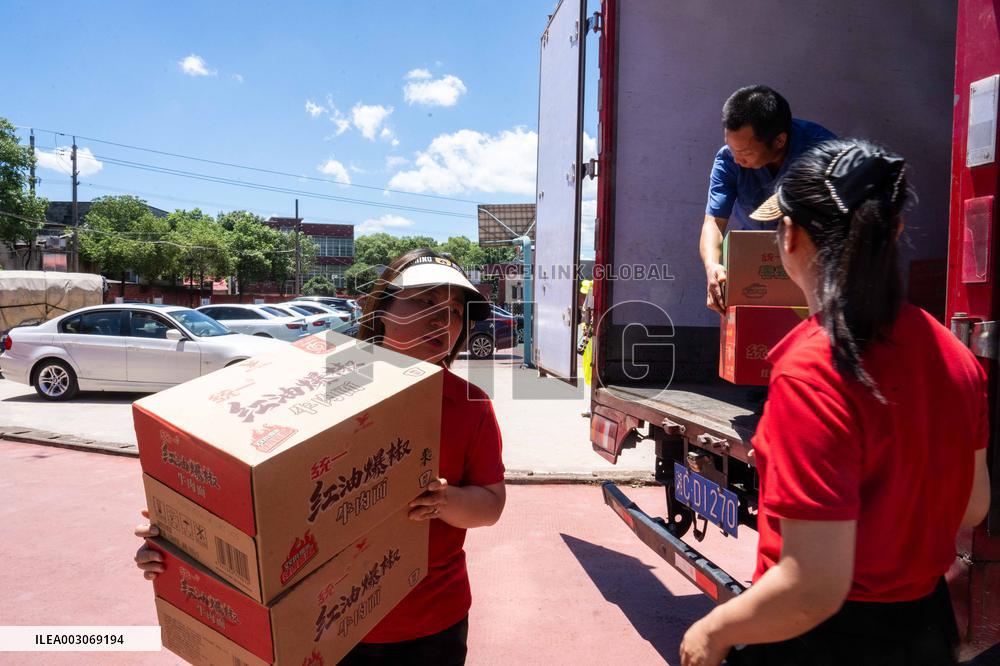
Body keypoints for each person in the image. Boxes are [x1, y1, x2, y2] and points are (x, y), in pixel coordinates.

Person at [680, 139, 991, 666]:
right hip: (925, 628)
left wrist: (710, 633)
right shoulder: (955, 355)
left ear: (790, 235)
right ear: (893, 233)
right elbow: (973, 505)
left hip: (825, 641)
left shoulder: (813, 370)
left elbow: (810, 590)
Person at [135, 248, 506, 666]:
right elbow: (252, 484)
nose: (443, 319)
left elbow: (490, 504)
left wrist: (443, 500)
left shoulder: (470, 405)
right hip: (325, 628)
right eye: (424, 301)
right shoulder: (317, 383)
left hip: (431, 625)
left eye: (456, 309)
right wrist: (181, 539)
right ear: (381, 309)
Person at [700, 85, 835, 313]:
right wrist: (712, 265)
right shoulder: (728, 160)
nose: (737, 158)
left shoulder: (824, 154)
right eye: (732, 148)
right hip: (756, 261)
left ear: (779, 141)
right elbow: (713, 222)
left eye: (746, 153)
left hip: (813, 265)